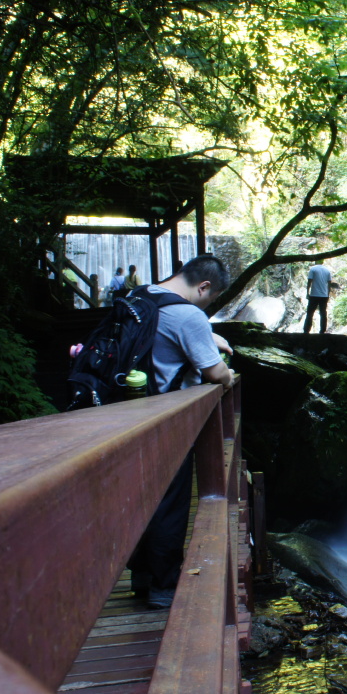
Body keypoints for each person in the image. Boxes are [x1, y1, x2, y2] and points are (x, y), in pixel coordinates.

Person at [129, 255, 235, 609]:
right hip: (168, 421)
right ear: (204, 287)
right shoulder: (189, 315)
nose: (206, 305)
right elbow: (215, 373)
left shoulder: (140, 296)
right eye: (210, 298)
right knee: (169, 504)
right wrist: (228, 374)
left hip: (128, 415)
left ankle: (141, 577)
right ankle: (164, 587)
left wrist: (207, 335)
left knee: (141, 499)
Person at [303, 262, 332, 333]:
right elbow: (329, 284)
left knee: (310, 313)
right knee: (323, 313)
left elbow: (309, 281)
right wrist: (328, 295)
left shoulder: (313, 269)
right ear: (322, 262)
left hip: (314, 295)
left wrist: (307, 292)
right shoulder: (327, 270)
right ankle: (322, 330)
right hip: (324, 296)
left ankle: (306, 330)